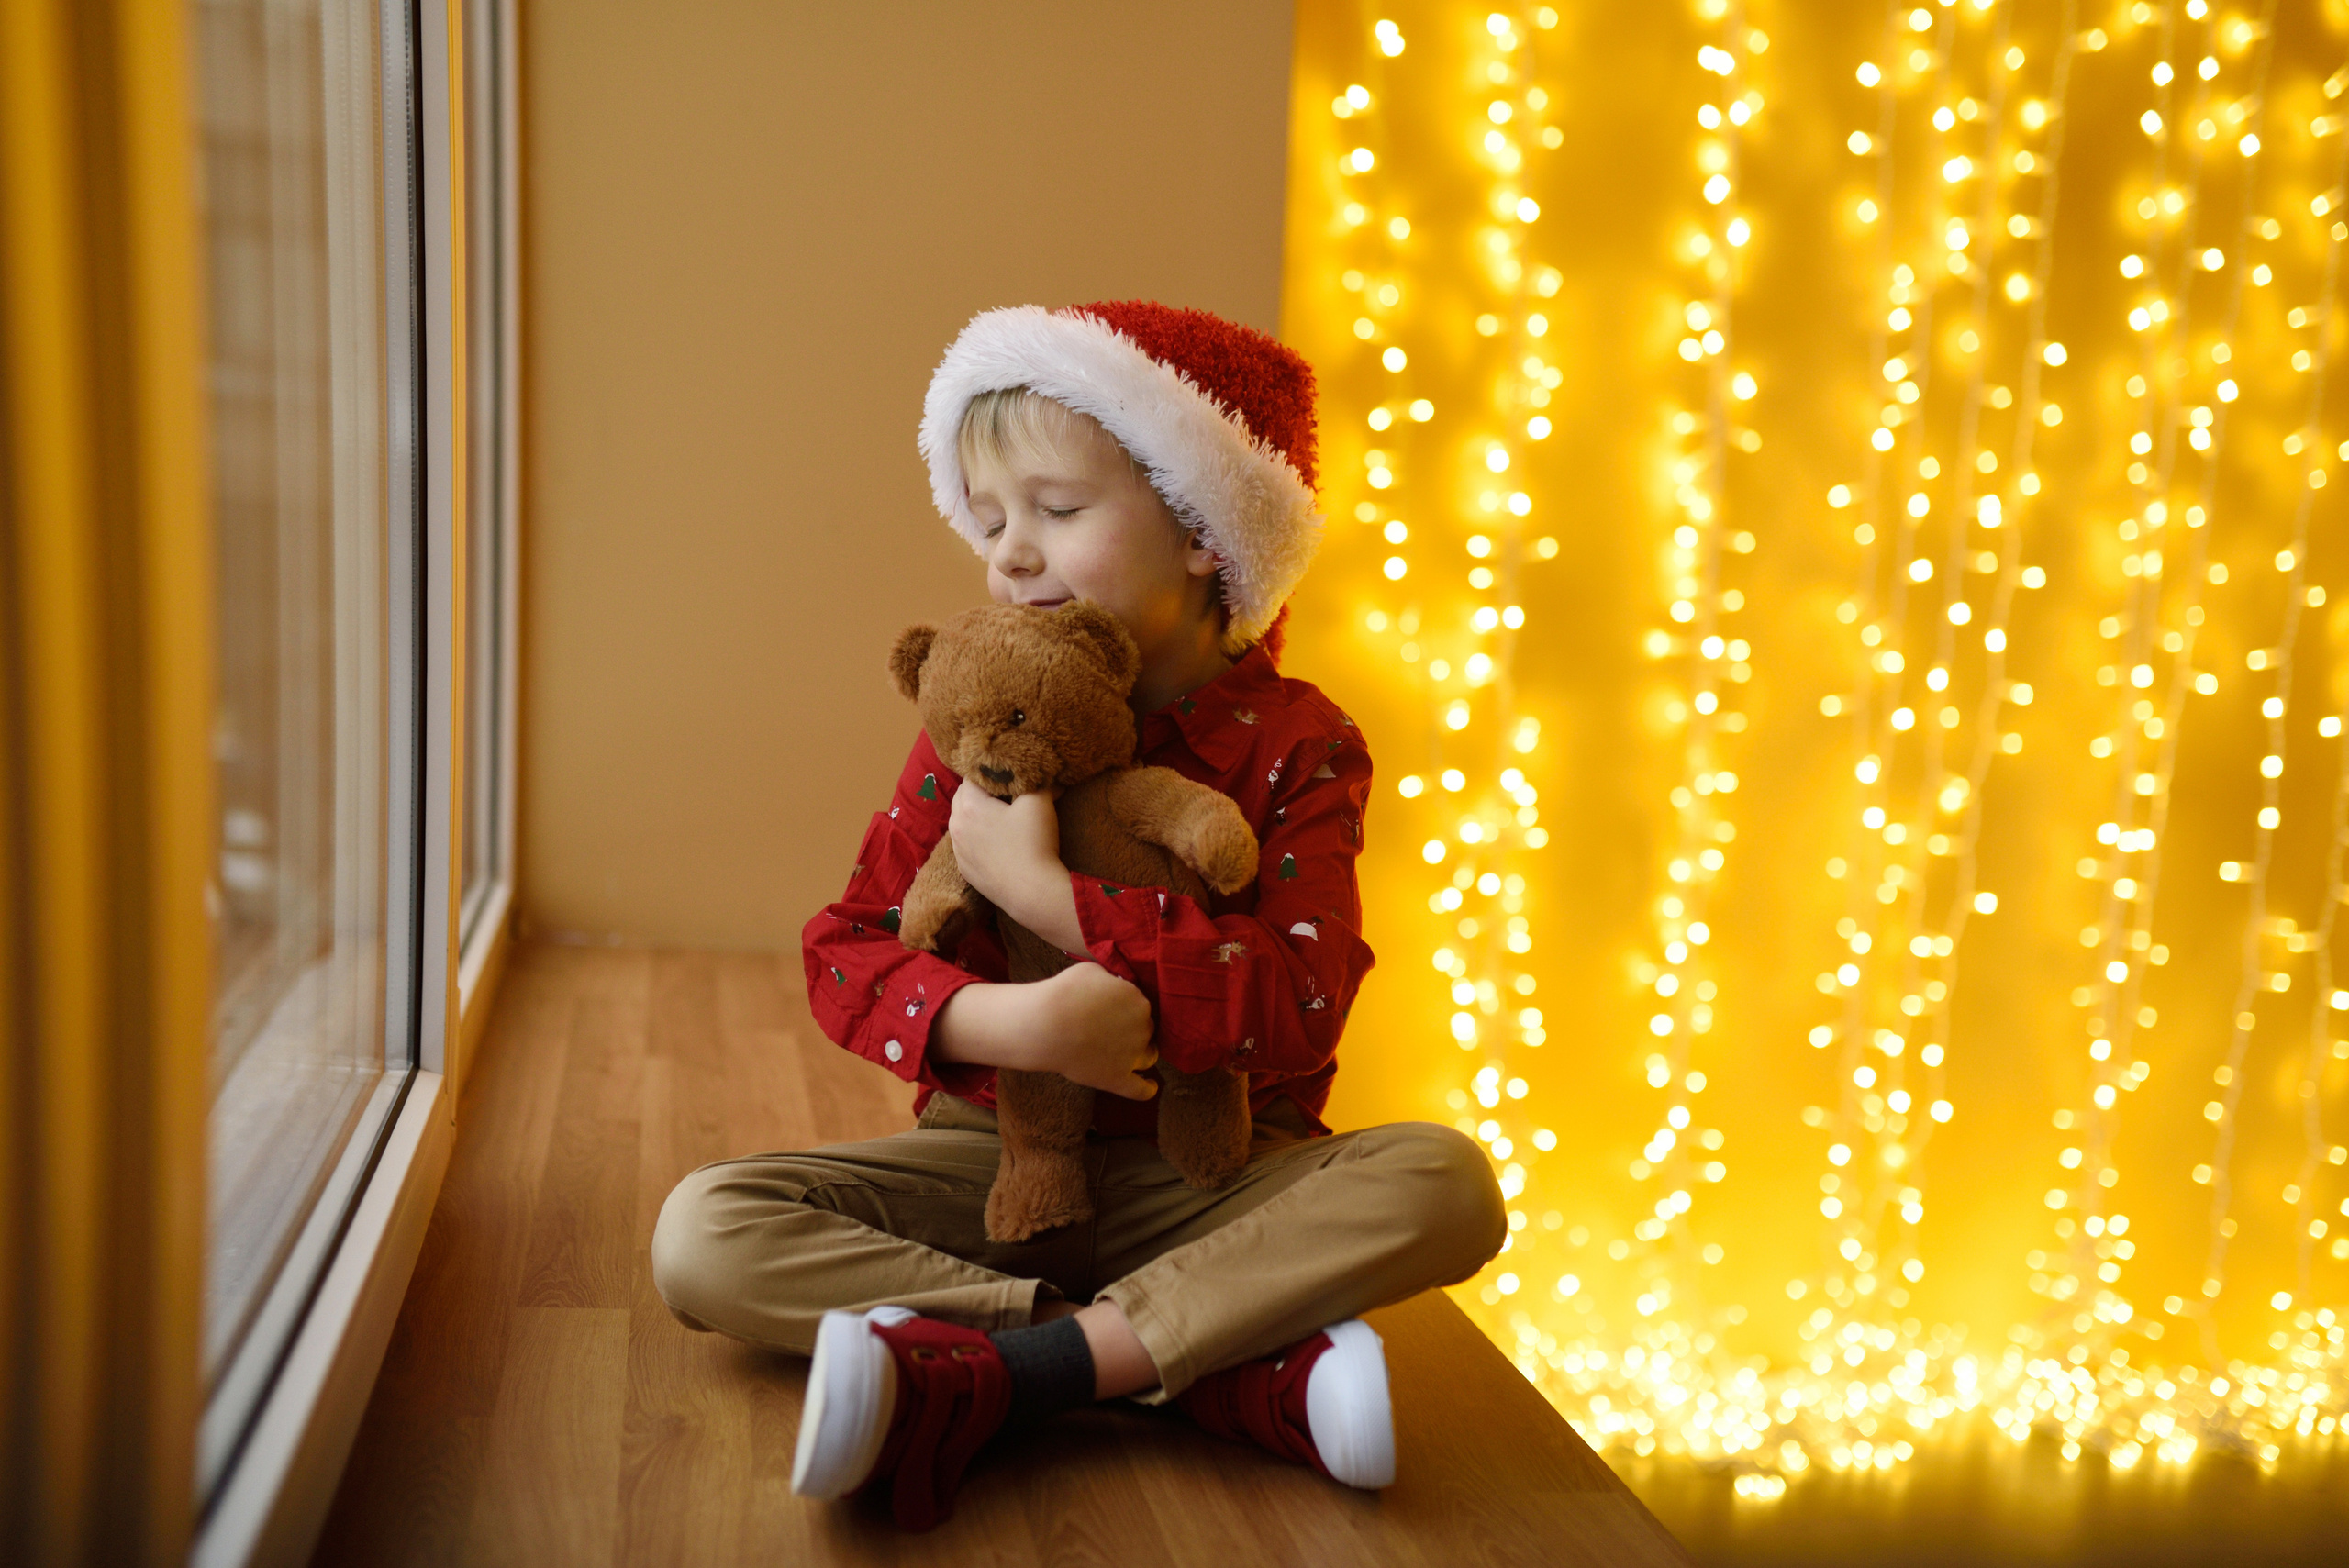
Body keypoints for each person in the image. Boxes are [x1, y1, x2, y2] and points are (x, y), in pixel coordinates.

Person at [650, 301, 1506, 1531]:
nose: (1008, 553)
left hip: (1208, 1171)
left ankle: (1001, 1374)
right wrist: (1018, 1027)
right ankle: (1189, 1367)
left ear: (1207, 532)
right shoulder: (973, 719)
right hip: (988, 1164)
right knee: (703, 1234)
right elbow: (846, 948)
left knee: (1446, 1180)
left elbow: (1297, 1003)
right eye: (990, 519)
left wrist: (1048, 897)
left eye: (1055, 511)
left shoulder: (1301, 745)